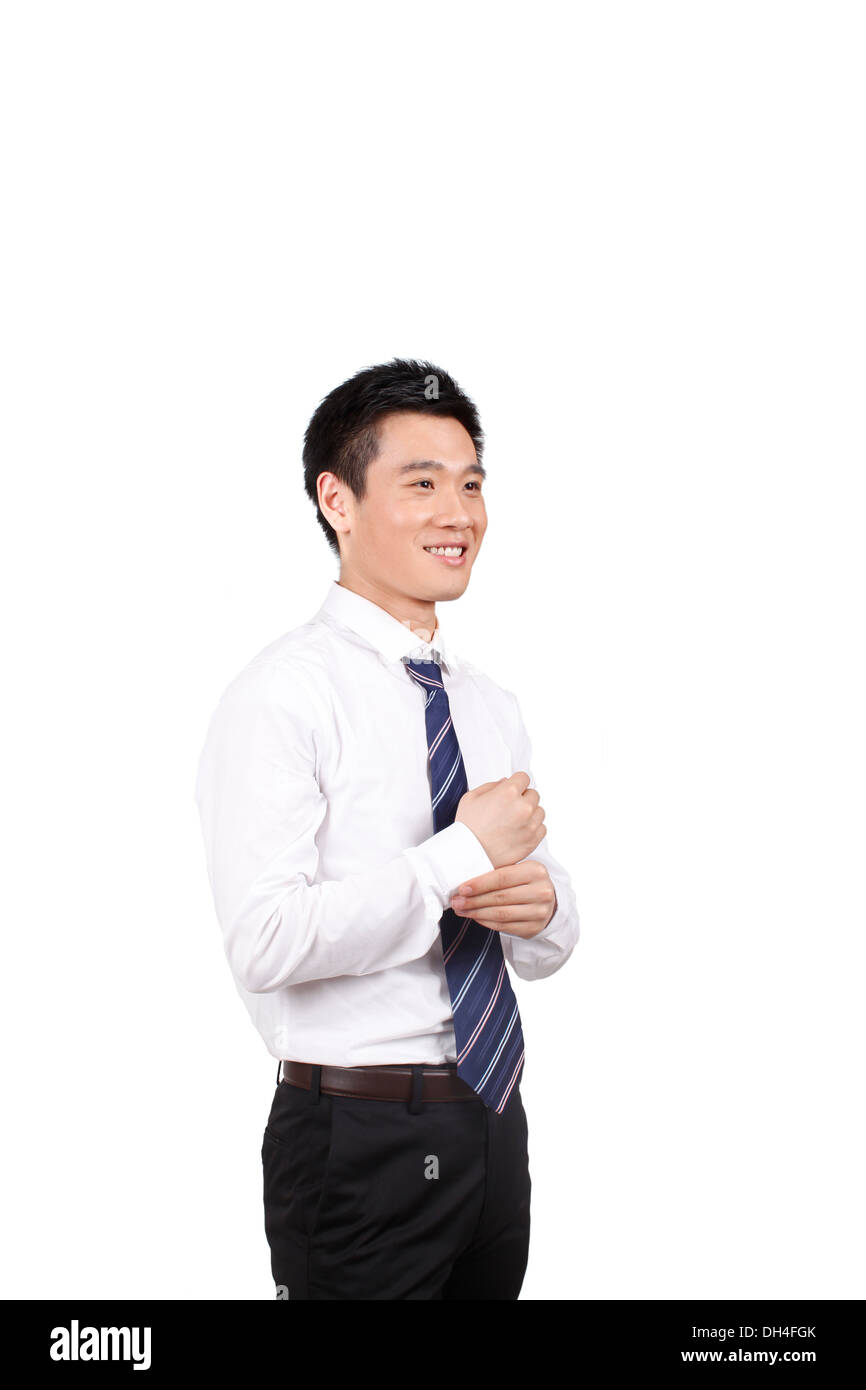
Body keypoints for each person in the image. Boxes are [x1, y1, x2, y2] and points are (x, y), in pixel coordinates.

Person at [194, 357, 580, 1300]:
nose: (460, 513)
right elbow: (267, 941)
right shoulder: (284, 695)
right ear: (338, 499)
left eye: (472, 484)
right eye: (422, 484)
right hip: (358, 1138)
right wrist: (461, 854)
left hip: (493, 1121)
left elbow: (546, 932)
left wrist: (547, 909)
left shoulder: (489, 704)